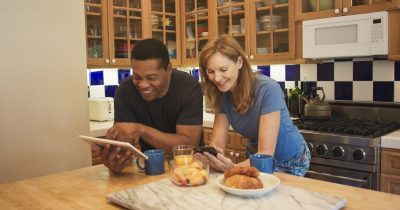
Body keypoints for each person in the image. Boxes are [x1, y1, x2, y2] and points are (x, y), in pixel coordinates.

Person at [198, 35, 310, 176]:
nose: (217, 78)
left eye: (223, 69)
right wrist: (209, 156)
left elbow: (265, 153)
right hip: (256, 158)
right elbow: (217, 145)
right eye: (211, 72)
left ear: (239, 62)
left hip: (290, 159)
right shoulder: (223, 95)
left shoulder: (268, 89)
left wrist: (232, 169)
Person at [92, 38, 204, 173]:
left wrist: (141, 130)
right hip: (150, 169)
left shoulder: (189, 88)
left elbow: (188, 145)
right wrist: (115, 158)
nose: (143, 85)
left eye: (151, 78)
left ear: (168, 69)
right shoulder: (125, 90)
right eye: (137, 77)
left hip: (189, 169)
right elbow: (125, 144)